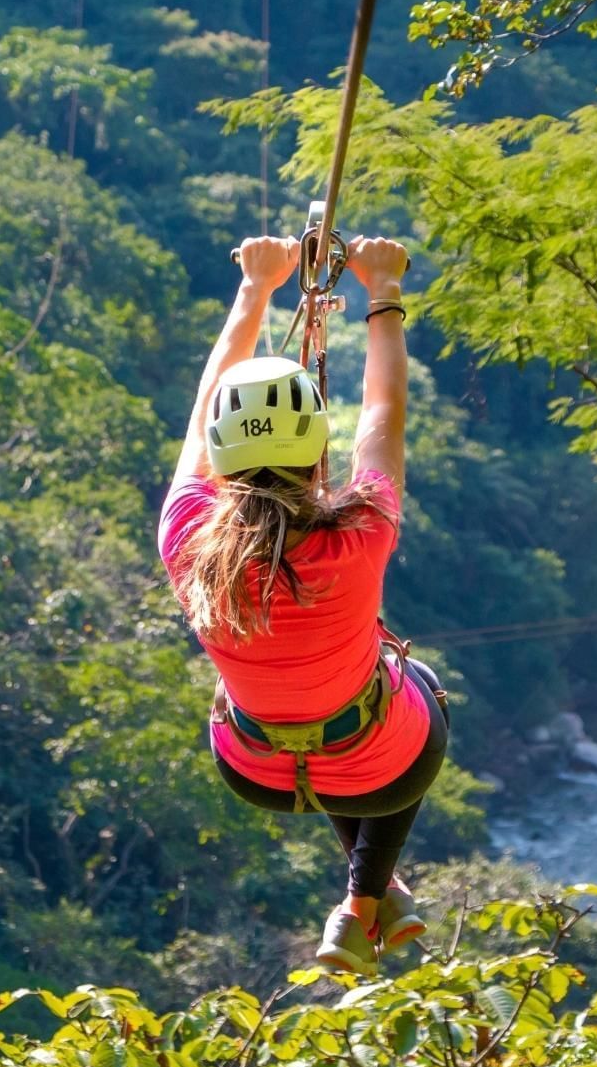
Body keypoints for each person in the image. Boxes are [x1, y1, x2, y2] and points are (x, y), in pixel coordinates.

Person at [157, 235, 450, 975]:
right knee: (412, 695)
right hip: (384, 766)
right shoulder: (359, 529)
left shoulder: (186, 535)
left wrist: (256, 287)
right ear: (318, 448)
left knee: (313, 723)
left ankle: (382, 900)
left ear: (223, 453)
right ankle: (361, 902)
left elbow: (203, 410)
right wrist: (380, 289)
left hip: (255, 768)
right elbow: (382, 414)